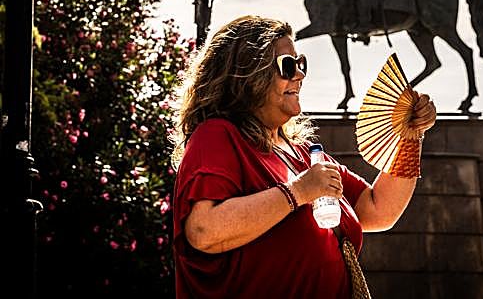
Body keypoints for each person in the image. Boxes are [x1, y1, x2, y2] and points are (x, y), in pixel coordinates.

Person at [171, 15, 436, 298]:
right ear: (248, 73)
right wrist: (299, 191)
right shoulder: (218, 135)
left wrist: (410, 138)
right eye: (287, 66)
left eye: (301, 64)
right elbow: (203, 231)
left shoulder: (302, 154)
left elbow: (378, 210)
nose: (299, 75)